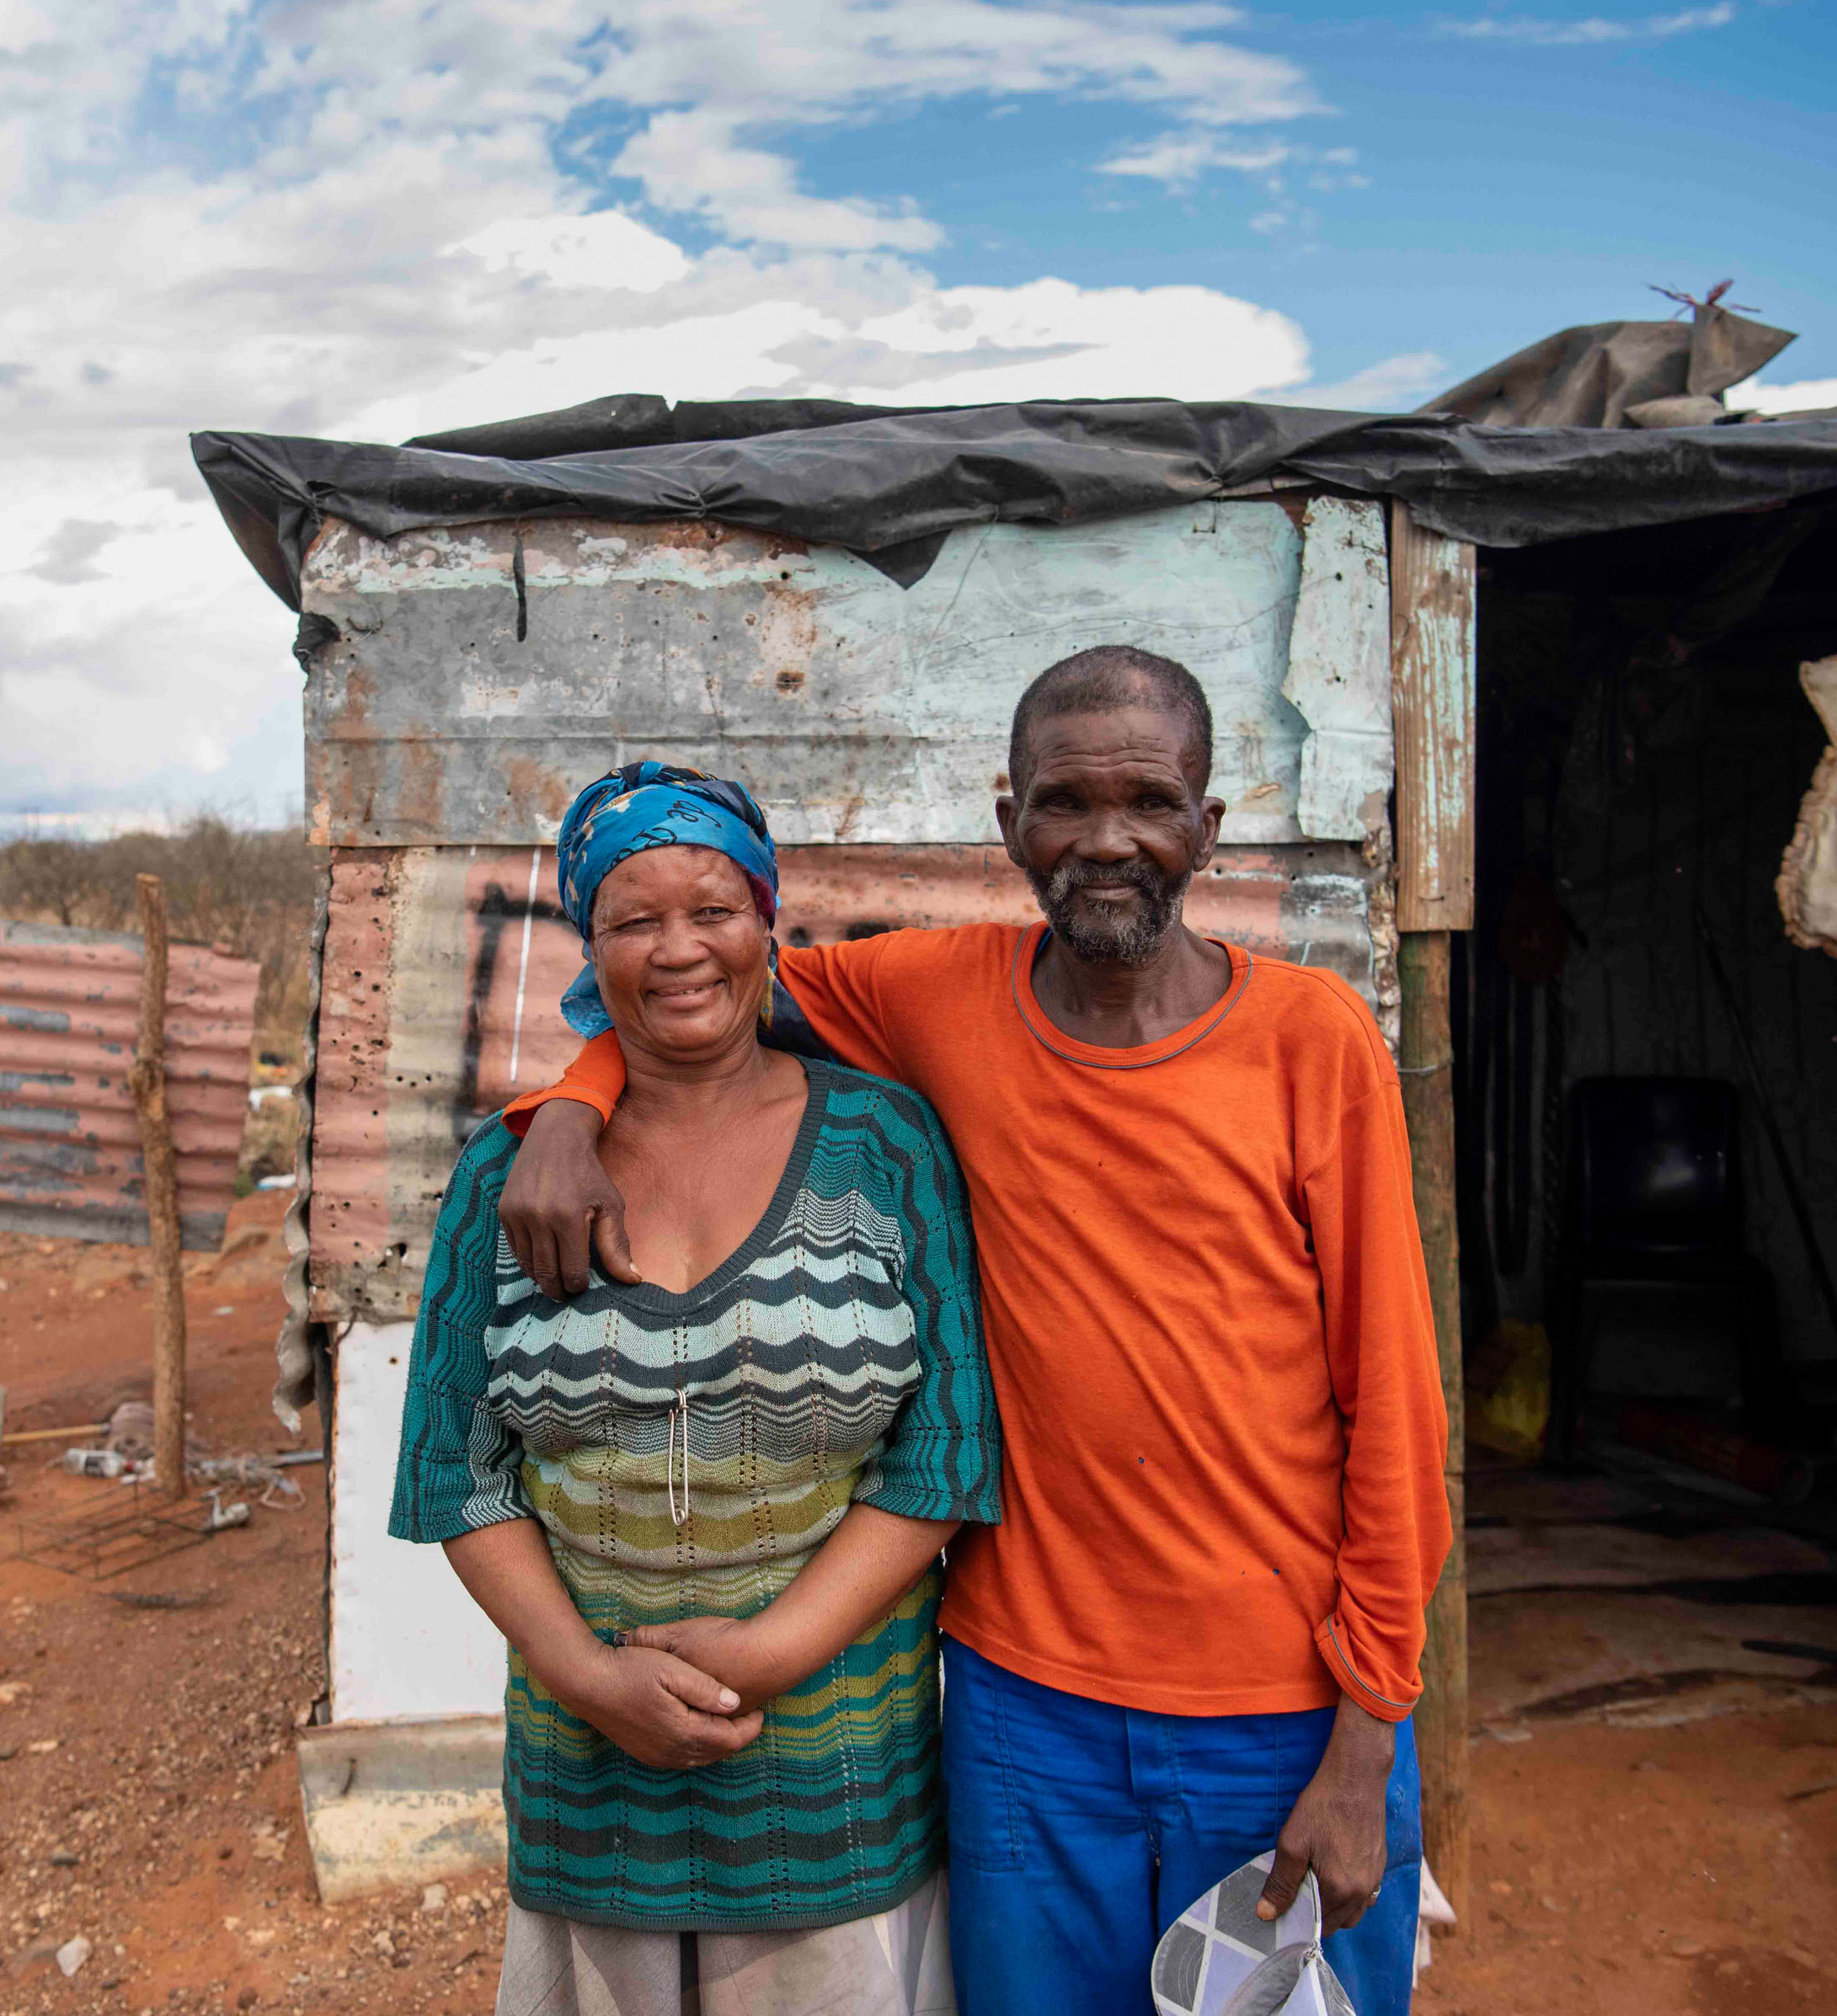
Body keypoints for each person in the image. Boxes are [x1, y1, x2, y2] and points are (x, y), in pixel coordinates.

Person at [499, 649, 1451, 2016]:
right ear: (1010, 827)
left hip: (1287, 1715)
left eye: (1151, 801)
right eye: (1066, 803)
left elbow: (1399, 1409)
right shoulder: (932, 999)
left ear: (1208, 827)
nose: (1108, 839)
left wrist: (1370, 1736)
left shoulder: (1314, 1042)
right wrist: (574, 1108)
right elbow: (688, 990)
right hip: (1021, 1712)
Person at [389, 761, 1005, 2016]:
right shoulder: (506, 1179)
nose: (680, 950)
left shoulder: (883, 1145)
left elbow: (944, 1451)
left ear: (768, 917)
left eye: (714, 909)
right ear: (587, 939)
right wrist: (590, 1676)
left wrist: (776, 1651)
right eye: (633, 918)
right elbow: (457, 1469)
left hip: (834, 1782)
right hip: (589, 1785)